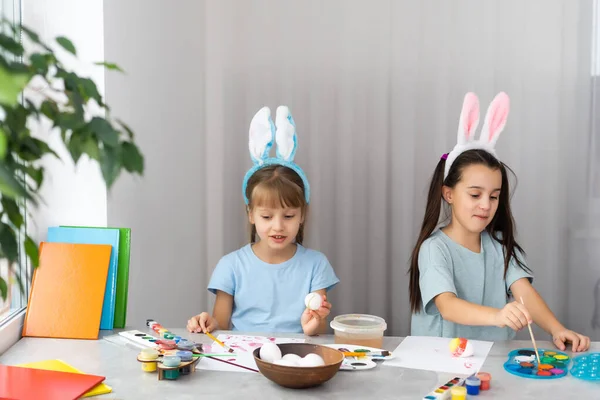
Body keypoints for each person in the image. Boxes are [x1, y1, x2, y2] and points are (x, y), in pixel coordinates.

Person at [409, 92, 590, 352]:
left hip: (491, 363)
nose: (486, 205)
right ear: (448, 193)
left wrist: (556, 328)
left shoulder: (501, 246)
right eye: (475, 194)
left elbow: (524, 292)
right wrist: (497, 315)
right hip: (441, 364)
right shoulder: (434, 249)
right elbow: (447, 306)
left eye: (494, 196)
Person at [187, 106, 339, 336]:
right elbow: (220, 325)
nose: (278, 226)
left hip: (294, 360)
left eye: (288, 216)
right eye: (267, 216)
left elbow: (317, 328)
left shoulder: (316, 265)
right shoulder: (230, 266)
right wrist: (206, 323)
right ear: (250, 213)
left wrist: (314, 324)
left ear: (302, 215)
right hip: (243, 359)